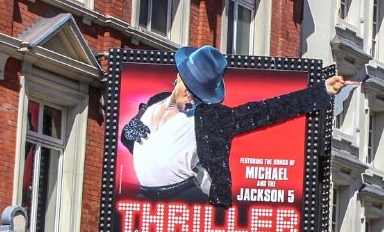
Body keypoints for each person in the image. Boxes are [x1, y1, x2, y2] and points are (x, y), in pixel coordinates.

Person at [121, 45, 356, 209]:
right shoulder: (153, 102)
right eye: (191, 91)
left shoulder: (211, 117)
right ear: (180, 77)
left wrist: (320, 91)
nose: (193, 99)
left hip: (184, 198)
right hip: (145, 201)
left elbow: (267, 110)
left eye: (199, 95)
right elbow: (136, 141)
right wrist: (128, 132)